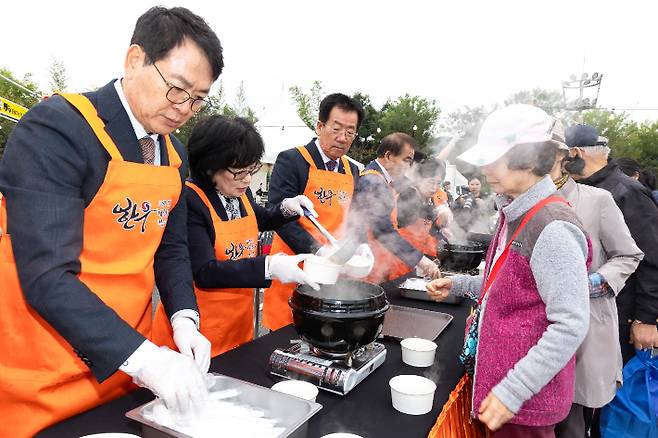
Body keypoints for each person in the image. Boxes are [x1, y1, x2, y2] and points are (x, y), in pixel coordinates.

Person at [0, 7, 223, 435]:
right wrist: (146, 358)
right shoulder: (60, 128)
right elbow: (46, 275)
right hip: (45, 369)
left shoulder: (173, 153)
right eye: (177, 89)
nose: (183, 109)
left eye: (198, 99)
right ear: (135, 59)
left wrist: (184, 319)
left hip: (127, 369)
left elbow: (170, 247)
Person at [427, 105, 591, 436]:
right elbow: (512, 285)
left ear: (529, 159)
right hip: (506, 397)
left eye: (494, 158)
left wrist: (512, 391)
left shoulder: (553, 227)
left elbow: (571, 324)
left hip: (522, 407)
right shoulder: (515, 211)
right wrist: (461, 285)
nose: (484, 167)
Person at [151, 115, 320, 356]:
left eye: (252, 169)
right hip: (197, 332)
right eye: (239, 172)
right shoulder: (190, 200)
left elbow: (259, 218)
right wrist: (268, 267)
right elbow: (205, 272)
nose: (248, 179)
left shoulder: (238, 191)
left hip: (236, 326)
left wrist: (287, 208)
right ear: (210, 166)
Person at [547, 126, 644, 438]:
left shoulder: (597, 200)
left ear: (566, 160)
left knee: (571, 423)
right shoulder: (516, 203)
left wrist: (595, 282)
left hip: (583, 331)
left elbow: (628, 255)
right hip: (532, 331)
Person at [263, 93, 373, 331]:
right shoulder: (292, 160)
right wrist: (318, 251)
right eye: (336, 129)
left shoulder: (352, 170)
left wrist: (361, 245)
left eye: (350, 132)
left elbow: (356, 217)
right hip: (295, 266)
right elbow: (278, 217)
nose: (342, 138)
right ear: (320, 126)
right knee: (288, 336)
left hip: (336, 273)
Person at [565, 124, 658, 364]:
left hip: (620, 313)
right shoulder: (583, 189)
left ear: (575, 153)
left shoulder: (627, 192)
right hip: (587, 310)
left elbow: (651, 257)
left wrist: (646, 319)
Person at [355, 133, 441, 283]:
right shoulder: (373, 180)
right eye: (406, 160)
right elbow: (383, 230)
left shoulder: (386, 179)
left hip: (378, 261)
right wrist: (420, 259)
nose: (408, 167)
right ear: (388, 156)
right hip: (365, 263)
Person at [389, 159, 450, 279]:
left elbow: (430, 231)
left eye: (438, 183)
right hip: (397, 261)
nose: (434, 188)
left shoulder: (430, 199)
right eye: (431, 182)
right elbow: (408, 216)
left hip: (417, 262)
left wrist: (442, 236)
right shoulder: (408, 194)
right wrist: (436, 212)